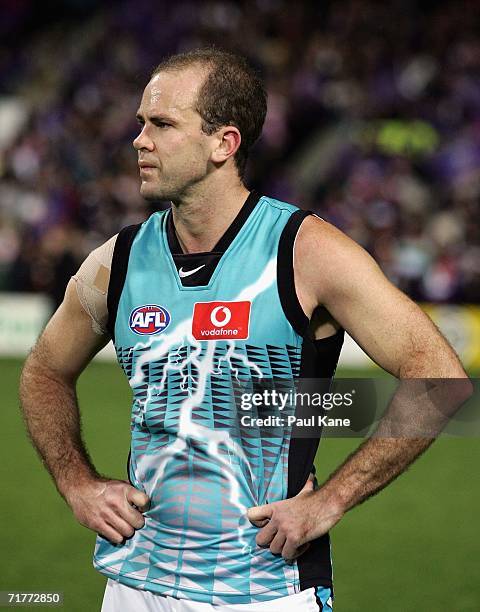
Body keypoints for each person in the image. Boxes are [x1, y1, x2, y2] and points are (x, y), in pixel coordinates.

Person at [19, 48, 471, 612]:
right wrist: (76, 482)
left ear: (223, 143)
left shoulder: (305, 252)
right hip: (134, 585)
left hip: (265, 591)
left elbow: (439, 377)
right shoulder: (119, 261)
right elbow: (44, 370)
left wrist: (330, 501)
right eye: (141, 123)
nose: (140, 140)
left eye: (161, 124)